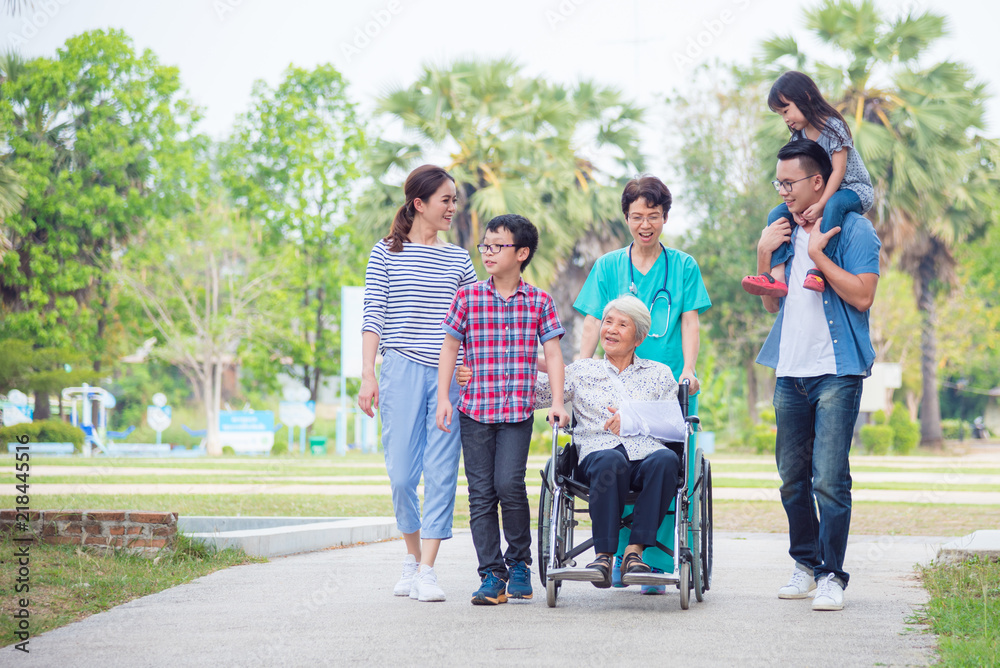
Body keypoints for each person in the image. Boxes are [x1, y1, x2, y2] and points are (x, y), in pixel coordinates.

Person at [753, 139, 881, 612]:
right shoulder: (781, 227)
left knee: (828, 478)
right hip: (790, 370)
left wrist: (820, 257)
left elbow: (863, 296)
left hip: (837, 371)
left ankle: (832, 575)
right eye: (778, 182)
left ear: (818, 182)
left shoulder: (854, 230)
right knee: (791, 477)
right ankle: (804, 566)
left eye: (790, 183)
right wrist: (765, 255)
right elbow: (772, 300)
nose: (783, 191)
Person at [573, 174, 711, 592]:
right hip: (611, 377)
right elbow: (594, 319)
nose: (645, 224)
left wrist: (688, 367)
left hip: (660, 384)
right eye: (637, 216)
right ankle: (612, 560)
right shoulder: (609, 265)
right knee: (611, 458)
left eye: (653, 215)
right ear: (627, 219)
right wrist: (584, 367)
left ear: (664, 217)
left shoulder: (683, 265)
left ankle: (649, 561)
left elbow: (689, 318)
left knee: (663, 462)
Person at [436, 214, 570, 606]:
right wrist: (445, 396)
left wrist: (558, 401)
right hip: (475, 411)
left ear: (522, 253)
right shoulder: (468, 297)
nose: (488, 252)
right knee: (480, 494)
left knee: (509, 486)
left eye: (498, 246)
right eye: (486, 245)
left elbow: (553, 354)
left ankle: (519, 564)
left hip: (516, 414)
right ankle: (491, 575)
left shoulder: (540, 301)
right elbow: (449, 348)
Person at [359, 164, 477, 603]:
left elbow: (472, 321)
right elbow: (373, 314)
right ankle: (410, 558)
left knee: (443, 472)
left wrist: (469, 365)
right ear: (419, 204)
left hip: (449, 378)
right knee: (403, 475)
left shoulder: (458, 258)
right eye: (445, 200)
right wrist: (368, 373)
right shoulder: (385, 253)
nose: (452, 208)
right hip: (401, 371)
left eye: (454, 200)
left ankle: (427, 570)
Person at [535, 296, 684, 589]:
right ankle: (603, 556)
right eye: (608, 322)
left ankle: (634, 553)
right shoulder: (581, 370)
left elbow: (673, 426)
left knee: (667, 460)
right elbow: (540, 394)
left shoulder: (659, 373)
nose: (611, 330)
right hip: (596, 457)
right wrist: (488, 374)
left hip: (647, 456)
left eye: (622, 324)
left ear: (639, 336)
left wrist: (631, 419)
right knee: (610, 459)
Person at [743, 70, 874, 297]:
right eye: (780, 114)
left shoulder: (833, 127)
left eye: (786, 110)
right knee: (776, 215)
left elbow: (838, 171)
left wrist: (822, 203)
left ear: (805, 97)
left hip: (851, 189)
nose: (785, 118)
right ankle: (776, 275)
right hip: (818, 193)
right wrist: (794, 211)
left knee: (834, 206)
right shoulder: (799, 136)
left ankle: (819, 270)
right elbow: (797, 180)